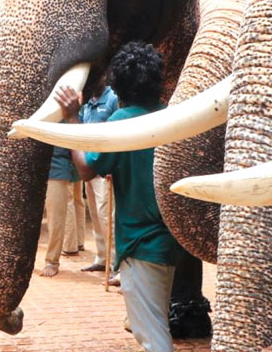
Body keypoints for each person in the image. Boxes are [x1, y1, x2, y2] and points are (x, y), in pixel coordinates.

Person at [62, 42, 183, 352]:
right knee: (153, 321)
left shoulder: (121, 121)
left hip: (140, 242)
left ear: (117, 84)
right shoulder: (170, 115)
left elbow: (88, 169)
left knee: (152, 336)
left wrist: (73, 120)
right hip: (169, 239)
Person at [78, 79, 118, 274]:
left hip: (104, 170)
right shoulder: (88, 103)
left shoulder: (112, 99)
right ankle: (102, 257)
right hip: (89, 165)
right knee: (95, 214)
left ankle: (115, 263)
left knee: (106, 216)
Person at [40, 142, 85, 278]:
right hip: (35, 169)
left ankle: (52, 261)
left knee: (55, 218)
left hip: (57, 170)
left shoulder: (68, 120)